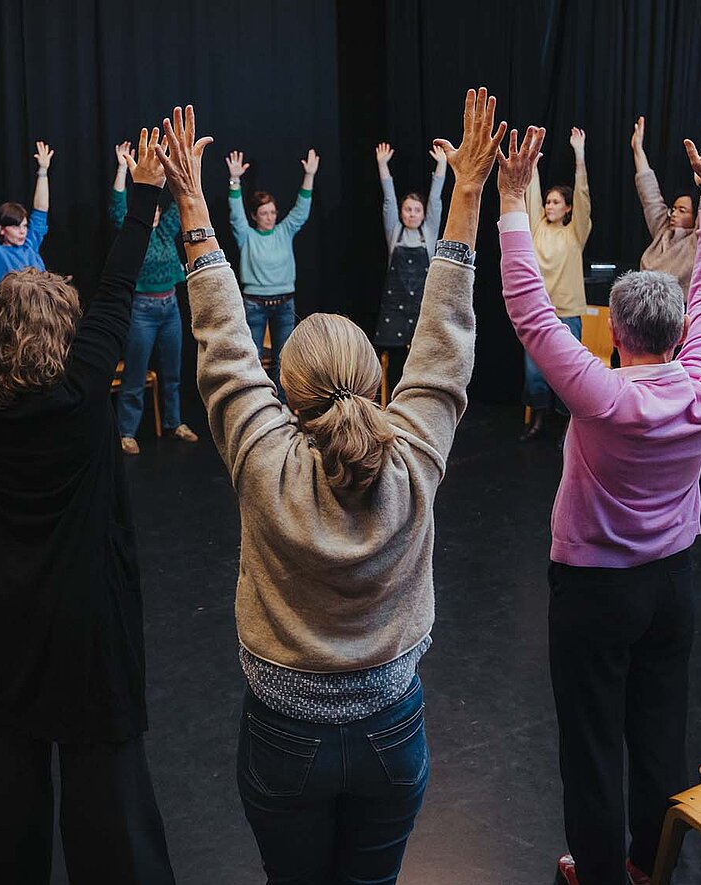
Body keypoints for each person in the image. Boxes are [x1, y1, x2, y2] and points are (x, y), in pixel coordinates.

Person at [165, 92, 497, 885]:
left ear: (288, 391)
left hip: (285, 735)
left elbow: (221, 342)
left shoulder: (263, 459)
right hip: (391, 730)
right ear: (379, 383)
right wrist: (471, 193)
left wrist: (191, 202)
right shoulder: (415, 455)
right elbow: (445, 341)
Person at [0, 133, 177, 884]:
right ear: (69, 338)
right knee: (110, 802)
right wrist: (147, 196)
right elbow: (115, 288)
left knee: (2, 790)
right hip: (88, 624)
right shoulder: (79, 393)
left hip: (3, 620)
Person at [513, 115, 701, 885]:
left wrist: (512, 199)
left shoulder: (600, 392)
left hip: (594, 591)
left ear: (614, 329)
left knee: (591, 741)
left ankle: (603, 874)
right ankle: (652, 861)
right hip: (672, 586)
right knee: (659, 728)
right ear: (679, 333)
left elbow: (527, 310)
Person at [111, 139, 200, 454]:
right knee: (135, 376)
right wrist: (123, 167)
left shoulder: (165, 231)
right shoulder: (135, 235)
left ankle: (175, 423)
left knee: (173, 373)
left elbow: (181, 202)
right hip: (143, 312)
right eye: (151, 211)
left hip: (170, 307)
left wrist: (173, 167)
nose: (155, 215)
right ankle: (126, 432)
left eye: (158, 211)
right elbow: (118, 206)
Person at [518, 126, 591, 441]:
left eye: (556, 202)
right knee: (535, 376)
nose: (549, 206)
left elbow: (583, 196)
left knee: (567, 377)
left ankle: (567, 425)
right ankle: (538, 420)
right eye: (547, 202)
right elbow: (530, 195)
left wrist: (579, 155)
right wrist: (532, 162)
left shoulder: (575, 233)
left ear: (568, 208)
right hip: (539, 313)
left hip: (567, 313)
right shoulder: (536, 228)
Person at [225, 145, 318, 386]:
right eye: (264, 213)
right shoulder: (246, 235)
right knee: (252, 358)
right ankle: (258, 406)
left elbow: (301, 211)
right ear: (255, 216)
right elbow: (236, 214)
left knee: (284, 359)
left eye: (273, 212)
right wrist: (235, 180)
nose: (270, 216)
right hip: (255, 304)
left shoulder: (284, 231)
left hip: (285, 303)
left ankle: (284, 405)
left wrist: (309, 175)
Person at [371, 140, 447, 394]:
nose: (412, 214)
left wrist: (442, 166)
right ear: (402, 213)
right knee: (394, 364)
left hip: (422, 306)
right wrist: (383, 166)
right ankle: (393, 405)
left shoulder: (429, 234)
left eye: (417, 210)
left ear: (424, 214)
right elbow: (388, 201)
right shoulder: (395, 233)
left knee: (422, 361)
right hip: (395, 308)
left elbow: (436, 201)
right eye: (408, 209)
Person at [630, 116, 700, 288]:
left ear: (696, 217)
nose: (674, 213)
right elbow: (650, 196)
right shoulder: (663, 231)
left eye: (682, 210)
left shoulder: (697, 241)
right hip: (643, 305)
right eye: (674, 209)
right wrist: (637, 149)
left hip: (677, 311)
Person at [0, 140, 53, 284]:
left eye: (24, 226)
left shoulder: (29, 245)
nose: (22, 231)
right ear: (2, 229)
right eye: (16, 226)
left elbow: (41, 211)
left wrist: (43, 171)